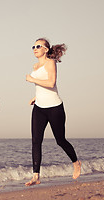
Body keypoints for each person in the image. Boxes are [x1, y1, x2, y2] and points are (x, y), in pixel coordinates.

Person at [25, 38, 81, 186]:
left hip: (55, 107)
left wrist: (32, 80)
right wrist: (36, 97)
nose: (34, 48)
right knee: (36, 141)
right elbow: (43, 88)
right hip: (39, 108)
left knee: (60, 140)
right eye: (33, 46)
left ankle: (76, 162)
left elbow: (51, 83)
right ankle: (36, 176)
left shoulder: (50, 62)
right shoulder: (35, 65)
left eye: (38, 46)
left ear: (46, 49)